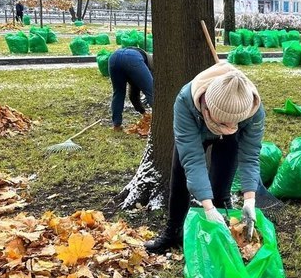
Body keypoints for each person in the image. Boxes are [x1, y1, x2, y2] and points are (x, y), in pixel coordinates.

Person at [144, 63, 265, 253]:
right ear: (207, 108)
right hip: (197, 130)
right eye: (224, 123)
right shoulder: (185, 101)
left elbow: (250, 156)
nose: (229, 126)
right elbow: (193, 160)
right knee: (181, 176)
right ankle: (173, 232)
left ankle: (223, 238)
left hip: (230, 140)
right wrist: (207, 207)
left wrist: (250, 199)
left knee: (221, 190)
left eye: (235, 123)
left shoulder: (253, 109)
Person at [108, 46, 153, 131]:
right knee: (152, 92)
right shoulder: (151, 67)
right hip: (132, 58)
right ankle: (163, 122)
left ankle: (116, 125)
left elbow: (133, 95)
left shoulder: (146, 58)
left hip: (114, 57)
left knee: (118, 92)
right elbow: (151, 92)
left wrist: (143, 112)